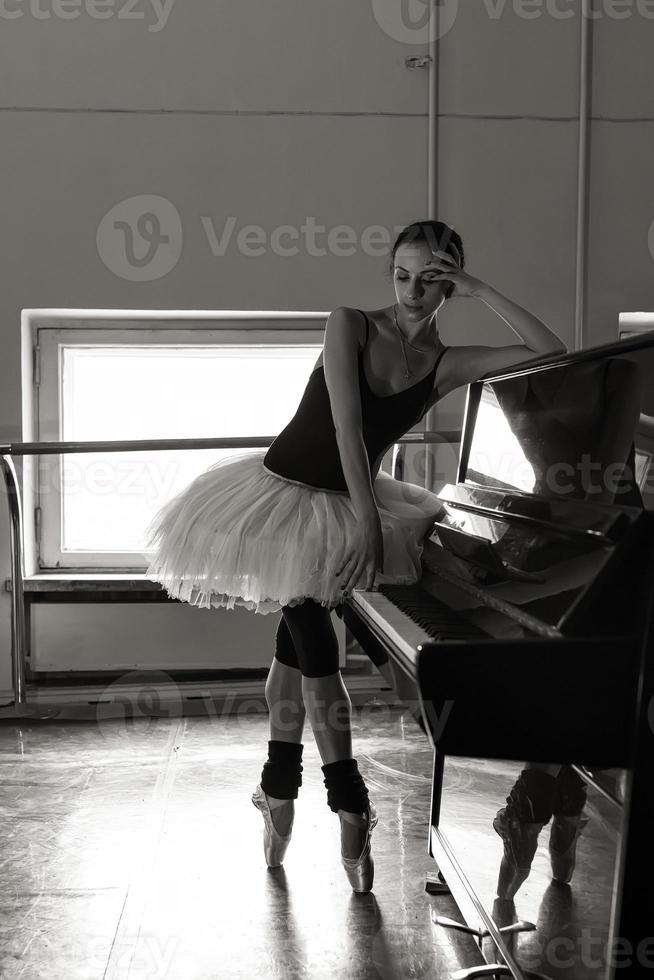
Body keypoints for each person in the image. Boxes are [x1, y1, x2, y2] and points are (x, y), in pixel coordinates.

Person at [142, 219, 566, 894]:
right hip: (281, 503)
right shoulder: (350, 323)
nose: (412, 291)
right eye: (402, 274)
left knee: (296, 648)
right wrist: (365, 525)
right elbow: (346, 423)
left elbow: (554, 350)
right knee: (315, 647)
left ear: (449, 282)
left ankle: (278, 792)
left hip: (352, 505)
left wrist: (481, 288)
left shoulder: (446, 364)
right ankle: (350, 800)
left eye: (431, 279)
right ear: (388, 274)